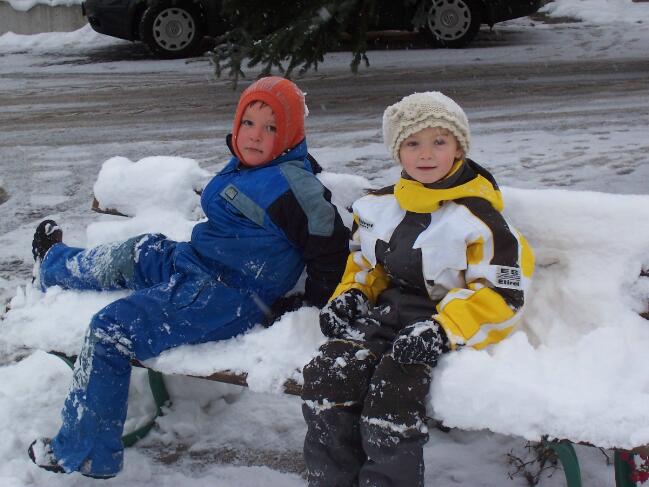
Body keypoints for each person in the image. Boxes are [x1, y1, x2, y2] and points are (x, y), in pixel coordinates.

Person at [27, 76, 350, 479]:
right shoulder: (252, 166)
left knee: (110, 331)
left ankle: (88, 452)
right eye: (248, 122)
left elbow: (331, 246)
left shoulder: (293, 187)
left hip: (223, 295)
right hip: (198, 260)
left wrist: (308, 304)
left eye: (271, 128)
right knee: (138, 252)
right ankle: (53, 266)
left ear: (288, 136)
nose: (255, 136)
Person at [301, 91, 535, 487]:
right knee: (330, 373)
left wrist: (444, 330)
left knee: (390, 398)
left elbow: (503, 293)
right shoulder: (378, 206)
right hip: (383, 318)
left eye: (438, 142)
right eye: (413, 143)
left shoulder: (480, 219)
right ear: (398, 152)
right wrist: (352, 295)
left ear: (458, 147)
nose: (425, 154)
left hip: (435, 326)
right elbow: (365, 264)